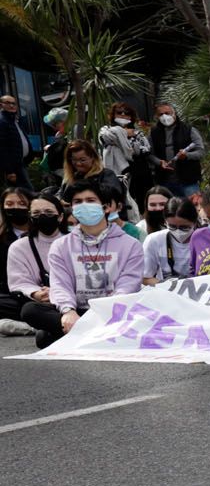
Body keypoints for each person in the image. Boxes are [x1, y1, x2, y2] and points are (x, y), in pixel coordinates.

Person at [24, 178, 144, 348]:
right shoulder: (61, 246)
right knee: (30, 310)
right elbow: (60, 284)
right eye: (77, 202)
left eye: (90, 200)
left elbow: (128, 285)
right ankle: (97, 335)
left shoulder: (131, 244)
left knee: (45, 338)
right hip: (78, 311)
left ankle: (79, 334)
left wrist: (106, 311)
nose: (84, 205)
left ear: (106, 207)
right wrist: (68, 311)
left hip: (114, 312)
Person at [3, 195, 62, 330]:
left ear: (60, 216)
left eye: (48, 213)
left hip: (73, 298)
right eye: (36, 213)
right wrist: (36, 293)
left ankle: (42, 327)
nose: (42, 217)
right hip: (39, 301)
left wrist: (57, 292)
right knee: (29, 310)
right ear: (30, 217)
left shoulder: (73, 241)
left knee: (43, 337)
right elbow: (18, 282)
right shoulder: (19, 246)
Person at [150, 102, 203, 197]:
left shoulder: (189, 130)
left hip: (188, 181)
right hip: (164, 181)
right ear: (157, 116)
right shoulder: (153, 133)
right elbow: (149, 154)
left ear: (174, 113)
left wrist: (187, 155)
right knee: (168, 209)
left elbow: (200, 152)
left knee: (192, 208)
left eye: (167, 113)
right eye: (161, 114)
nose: (164, 116)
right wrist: (159, 162)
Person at [141, 196, 200, 282]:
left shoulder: (205, 240)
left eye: (184, 227)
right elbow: (145, 278)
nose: (178, 231)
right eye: (172, 227)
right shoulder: (154, 240)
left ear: (194, 223)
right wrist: (165, 285)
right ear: (165, 222)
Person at [97, 103, 150, 188]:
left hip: (138, 171)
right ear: (113, 115)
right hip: (115, 171)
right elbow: (105, 138)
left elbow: (145, 149)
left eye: (127, 113)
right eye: (119, 112)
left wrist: (120, 139)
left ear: (131, 117)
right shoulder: (106, 129)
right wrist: (125, 133)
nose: (123, 115)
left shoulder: (137, 132)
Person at [0, 94, 31, 187]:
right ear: (1, 105)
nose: (12, 105)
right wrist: (9, 171)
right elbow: (2, 149)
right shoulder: (2, 122)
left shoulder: (14, 119)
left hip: (20, 163)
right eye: (8, 103)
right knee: (26, 192)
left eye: (13, 103)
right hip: (13, 167)